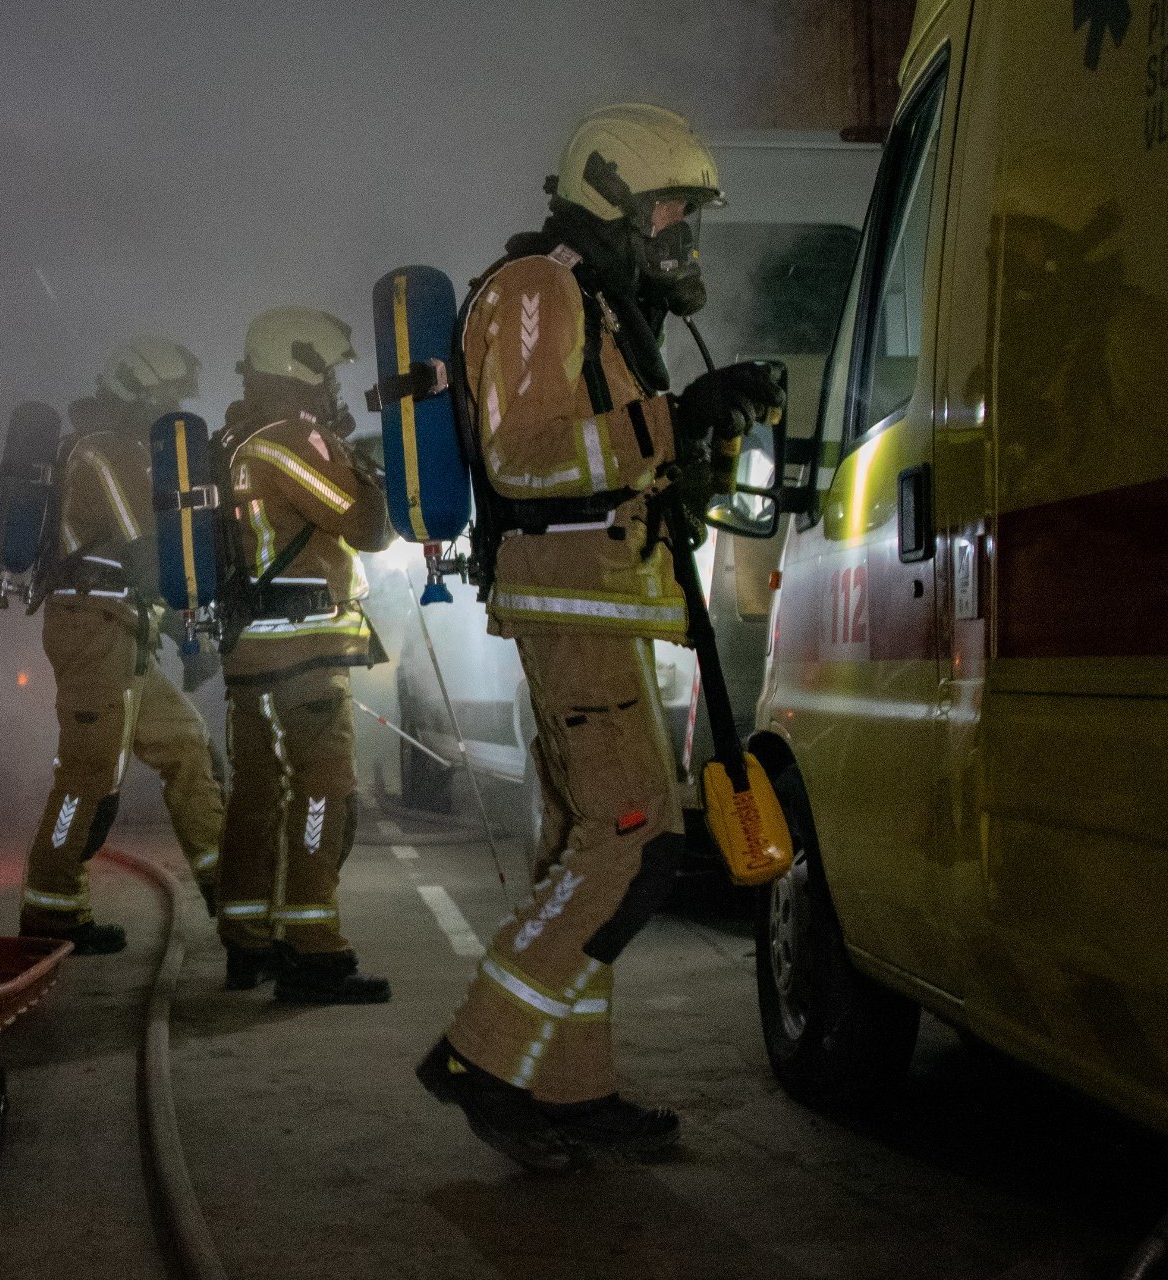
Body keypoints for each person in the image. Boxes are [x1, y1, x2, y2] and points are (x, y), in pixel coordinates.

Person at [415, 104, 782, 1171]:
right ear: (612, 192)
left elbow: (608, 453)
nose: (680, 232)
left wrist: (693, 438)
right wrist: (674, 419)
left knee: (585, 854)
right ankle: (480, 1053)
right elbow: (526, 458)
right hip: (571, 601)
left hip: (601, 601)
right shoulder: (538, 290)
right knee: (634, 845)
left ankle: (566, 1091)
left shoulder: (601, 305)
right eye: (670, 208)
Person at [16, 338, 229, 954]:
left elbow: (148, 561)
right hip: (94, 629)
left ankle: (232, 895)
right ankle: (50, 912)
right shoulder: (102, 452)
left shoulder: (127, 449)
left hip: (122, 628)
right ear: (141, 391)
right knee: (88, 774)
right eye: (168, 397)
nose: (174, 410)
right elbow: (144, 549)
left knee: (188, 748)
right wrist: (192, 620)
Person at [209, 307, 396, 1003]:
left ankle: (247, 940)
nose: (335, 384)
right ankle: (313, 950)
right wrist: (357, 463)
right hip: (302, 657)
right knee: (323, 794)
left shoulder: (239, 437)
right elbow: (366, 523)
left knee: (256, 799)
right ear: (301, 365)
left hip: (253, 657)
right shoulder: (290, 438)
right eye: (329, 369)